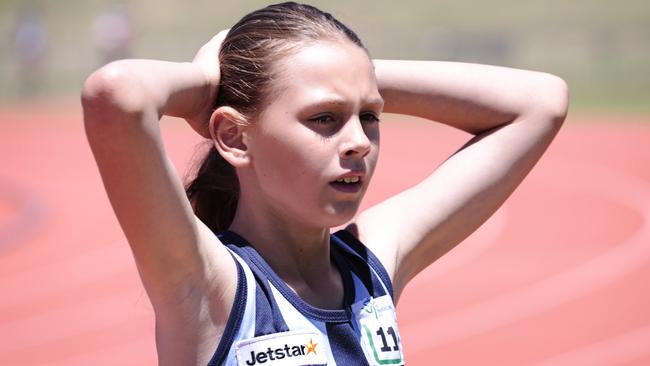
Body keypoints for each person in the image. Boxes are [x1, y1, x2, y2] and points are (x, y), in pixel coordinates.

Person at [81, 2, 568, 365]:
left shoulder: (370, 269)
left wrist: (350, 75)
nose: (359, 141)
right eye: (324, 117)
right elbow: (116, 94)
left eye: (370, 116)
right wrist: (209, 80)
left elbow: (542, 101)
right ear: (233, 136)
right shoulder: (212, 287)